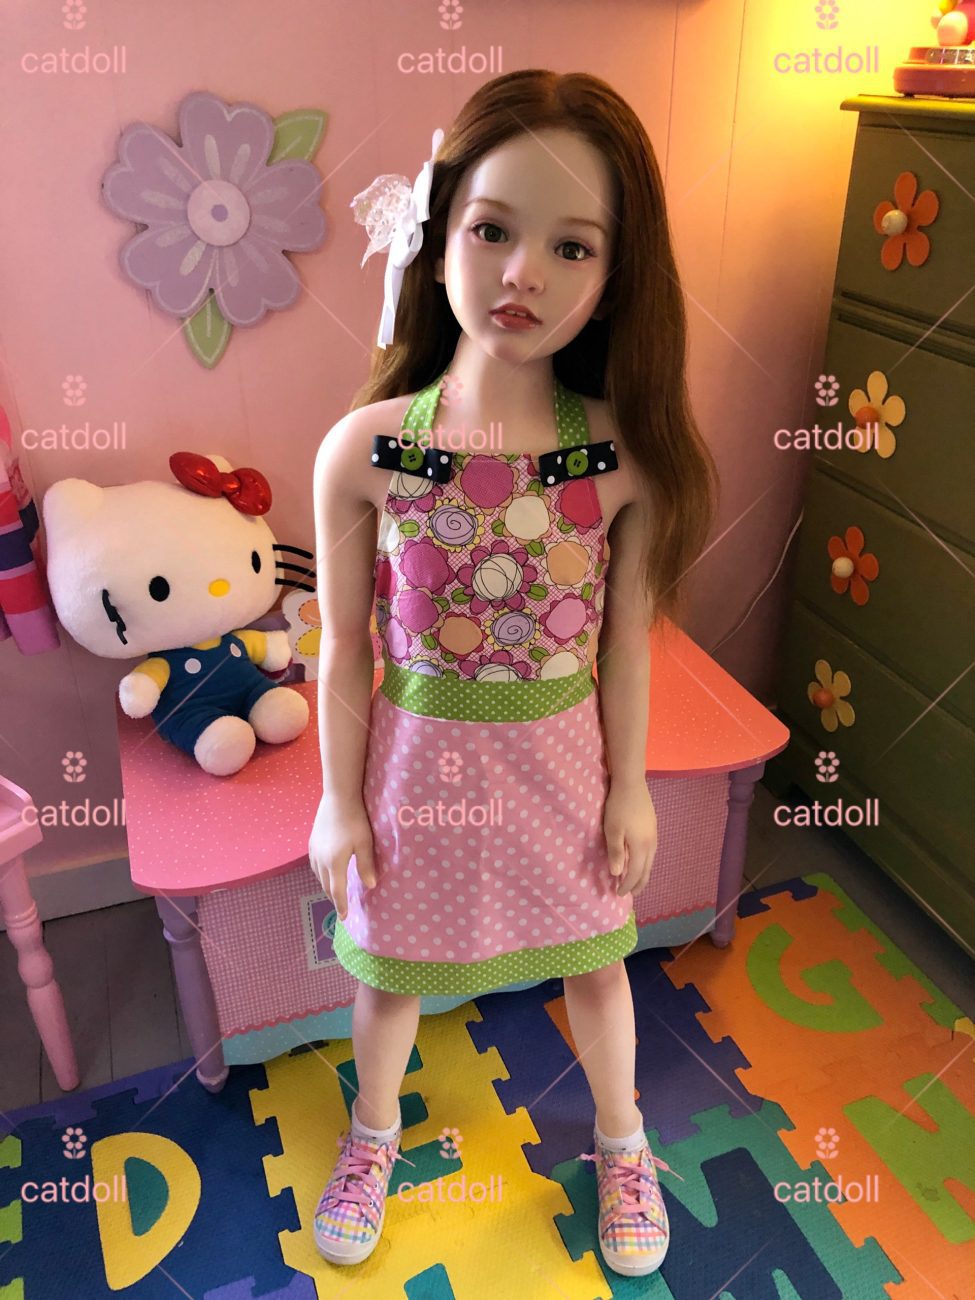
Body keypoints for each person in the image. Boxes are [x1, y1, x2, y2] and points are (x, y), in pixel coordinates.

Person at [308, 68, 716, 1277]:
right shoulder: (369, 452)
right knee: (390, 974)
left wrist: (630, 786)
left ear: (614, 277)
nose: (523, 274)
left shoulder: (620, 456)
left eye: (571, 247)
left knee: (599, 959)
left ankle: (623, 1140)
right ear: (438, 235)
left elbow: (624, 645)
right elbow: (345, 646)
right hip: (413, 773)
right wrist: (336, 799)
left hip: (562, 771)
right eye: (492, 230)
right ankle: (373, 1134)